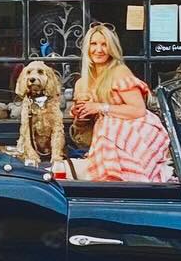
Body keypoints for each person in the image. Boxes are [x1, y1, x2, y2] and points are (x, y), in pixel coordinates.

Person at [71, 23, 173, 183]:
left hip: (136, 128)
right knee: (105, 127)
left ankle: (127, 185)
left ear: (112, 49)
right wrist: (81, 115)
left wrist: (100, 107)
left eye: (104, 45)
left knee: (108, 126)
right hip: (105, 134)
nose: (99, 49)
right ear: (87, 48)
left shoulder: (119, 72)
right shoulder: (82, 83)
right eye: (94, 44)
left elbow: (138, 110)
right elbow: (83, 127)